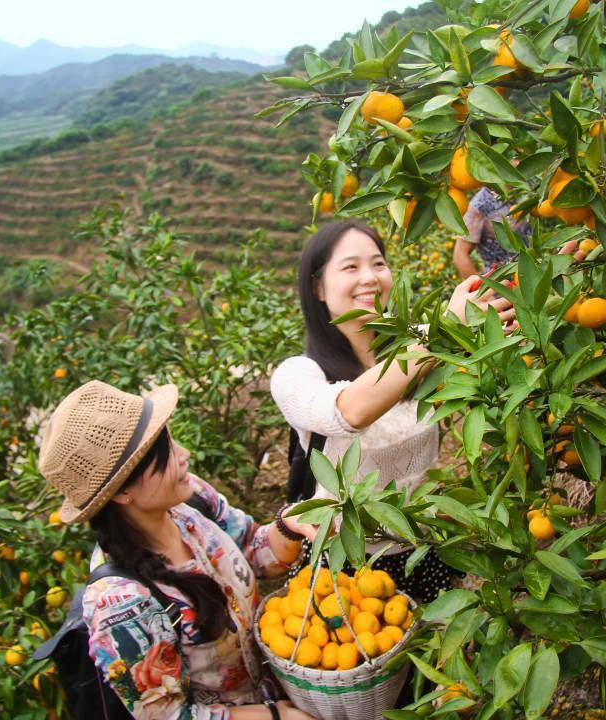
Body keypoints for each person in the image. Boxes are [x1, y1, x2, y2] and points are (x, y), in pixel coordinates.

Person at [38, 379, 318, 720]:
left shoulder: (190, 501)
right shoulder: (121, 602)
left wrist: (289, 525)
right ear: (121, 492)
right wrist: (275, 716)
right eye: (166, 453)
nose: (184, 455)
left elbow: (253, 549)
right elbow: (170, 715)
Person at [270, 220, 515, 601]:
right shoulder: (297, 374)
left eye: (378, 264)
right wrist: (444, 330)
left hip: (425, 548)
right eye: (351, 267)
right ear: (318, 287)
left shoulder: (421, 343)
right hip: (347, 565)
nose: (369, 277)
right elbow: (349, 412)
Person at [453, 187, 531, 279]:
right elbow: (460, 255)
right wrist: (480, 286)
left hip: (530, 273)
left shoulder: (524, 191)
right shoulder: (479, 205)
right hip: (501, 281)